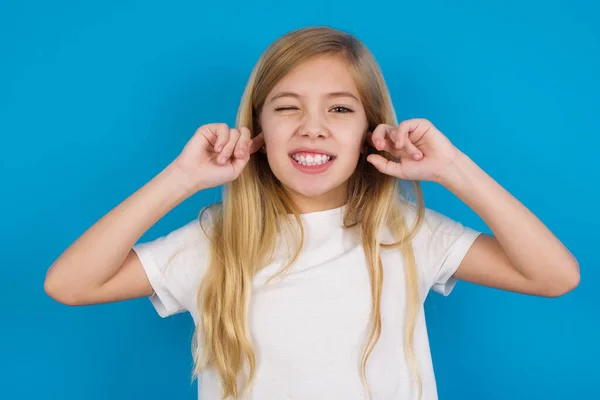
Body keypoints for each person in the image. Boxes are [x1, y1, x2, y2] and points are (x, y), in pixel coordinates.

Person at [44, 26, 580, 400]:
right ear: (257, 130)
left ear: (372, 130)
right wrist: (182, 178)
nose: (313, 126)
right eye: (288, 106)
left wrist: (453, 168)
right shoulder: (218, 239)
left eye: (340, 108)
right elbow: (70, 284)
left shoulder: (404, 232)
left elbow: (554, 276)